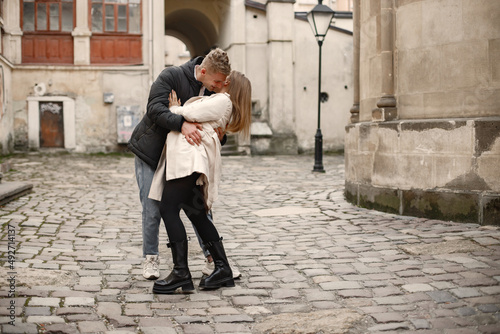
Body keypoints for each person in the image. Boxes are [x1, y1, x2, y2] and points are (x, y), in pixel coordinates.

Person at [128, 48, 231, 280]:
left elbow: (213, 127)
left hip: (185, 157)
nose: (219, 86)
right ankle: (150, 259)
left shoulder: (213, 92)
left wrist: (220, 134)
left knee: (198, 206)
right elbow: (155, 109)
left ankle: (213, 259)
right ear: (203, 71)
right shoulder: (171, 76)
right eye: (216, 81)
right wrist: (181, 123)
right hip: (151, 152)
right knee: (152, 207)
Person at [149, 71, 252, 294]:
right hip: (192, 160)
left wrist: (175, 109)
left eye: (226, 78)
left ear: (230, 84)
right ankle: (222, 268)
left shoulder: (223, 100)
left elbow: (189, 112)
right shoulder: (221, 101)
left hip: (190, 160)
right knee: (195, 213)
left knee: (168, 208)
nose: (222, 80)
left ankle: (181, 273)